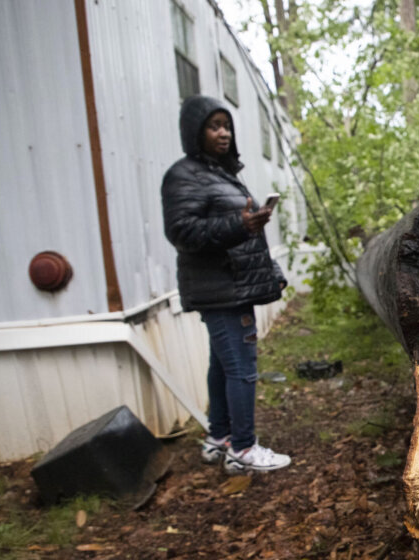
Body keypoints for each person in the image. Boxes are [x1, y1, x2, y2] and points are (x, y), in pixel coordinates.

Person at [161, 95, 291, 474]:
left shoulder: (220, 173)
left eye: (227, 125)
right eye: (214, 126)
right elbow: (182, 232)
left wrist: (271, 270)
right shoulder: (183, 175)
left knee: (221, 365)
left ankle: (219, 437)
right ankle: (244, 450)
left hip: (233, 283)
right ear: (195, 131)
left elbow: (243, 232)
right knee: (242, 369)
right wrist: (240, 224)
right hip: (221, 289)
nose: (224, 133)